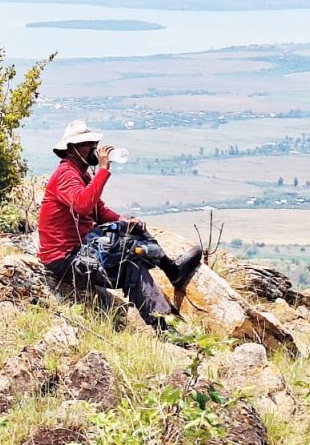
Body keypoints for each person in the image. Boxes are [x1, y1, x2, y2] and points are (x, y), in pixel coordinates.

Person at [37, 120, 203, 330]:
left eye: (94, 143)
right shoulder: (66, 175)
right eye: (86, 144)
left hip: (81, 246)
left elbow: (98, 211)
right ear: (71, 150)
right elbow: (83, 206)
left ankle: (171, 277)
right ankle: (165, 323)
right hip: (65, 258)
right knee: (130, 261)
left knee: (131, 232)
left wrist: (124, 222)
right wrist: (103, 170)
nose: (94, 148)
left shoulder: (81, 174)